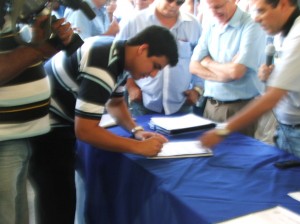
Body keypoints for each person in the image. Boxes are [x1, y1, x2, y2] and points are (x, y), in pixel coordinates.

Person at [40, 25, 178, 223]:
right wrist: (138, 147)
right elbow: (85, 131)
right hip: (48, 127)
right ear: (142, 49)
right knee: (59, 205)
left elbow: (115, 103)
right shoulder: (103, 61)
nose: (154, 74)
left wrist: (137, 131)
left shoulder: (118, 55)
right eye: (155, 66)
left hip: (59, 122)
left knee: (62, 199)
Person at [0, 4, 74, 224]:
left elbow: (19, 64)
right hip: (3, 139)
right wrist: (38, 48)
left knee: (17, 213)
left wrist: (44, 42)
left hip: (18, 136)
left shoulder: (8, 18)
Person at [199, 0, 300, 158]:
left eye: (261, 11)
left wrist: (222, 131)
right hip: (285, 128)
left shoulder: (297, 36)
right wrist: (274, 75)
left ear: (283, 5)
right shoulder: (283, 32)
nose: (255, 18)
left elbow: (271, 98)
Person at [190, 0, 266, 137]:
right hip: (209, 106)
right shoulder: (211, 24)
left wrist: (207, 62)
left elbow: (236, 72)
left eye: (218, 6)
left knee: (237, 156)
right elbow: (193, 66)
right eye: (210, 8)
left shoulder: (252, 25)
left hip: (239, 109)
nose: (214, 12)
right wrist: (224, 75)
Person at [116, 0, 203, 116]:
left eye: (179, 2)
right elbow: (119, 57)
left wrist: (197, 90)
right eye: (170, 0)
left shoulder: (193, 24)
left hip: (182, 103)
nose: (173, 5)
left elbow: (200, 59)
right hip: (143, 102)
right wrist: (131, 87)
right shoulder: (134, 21)